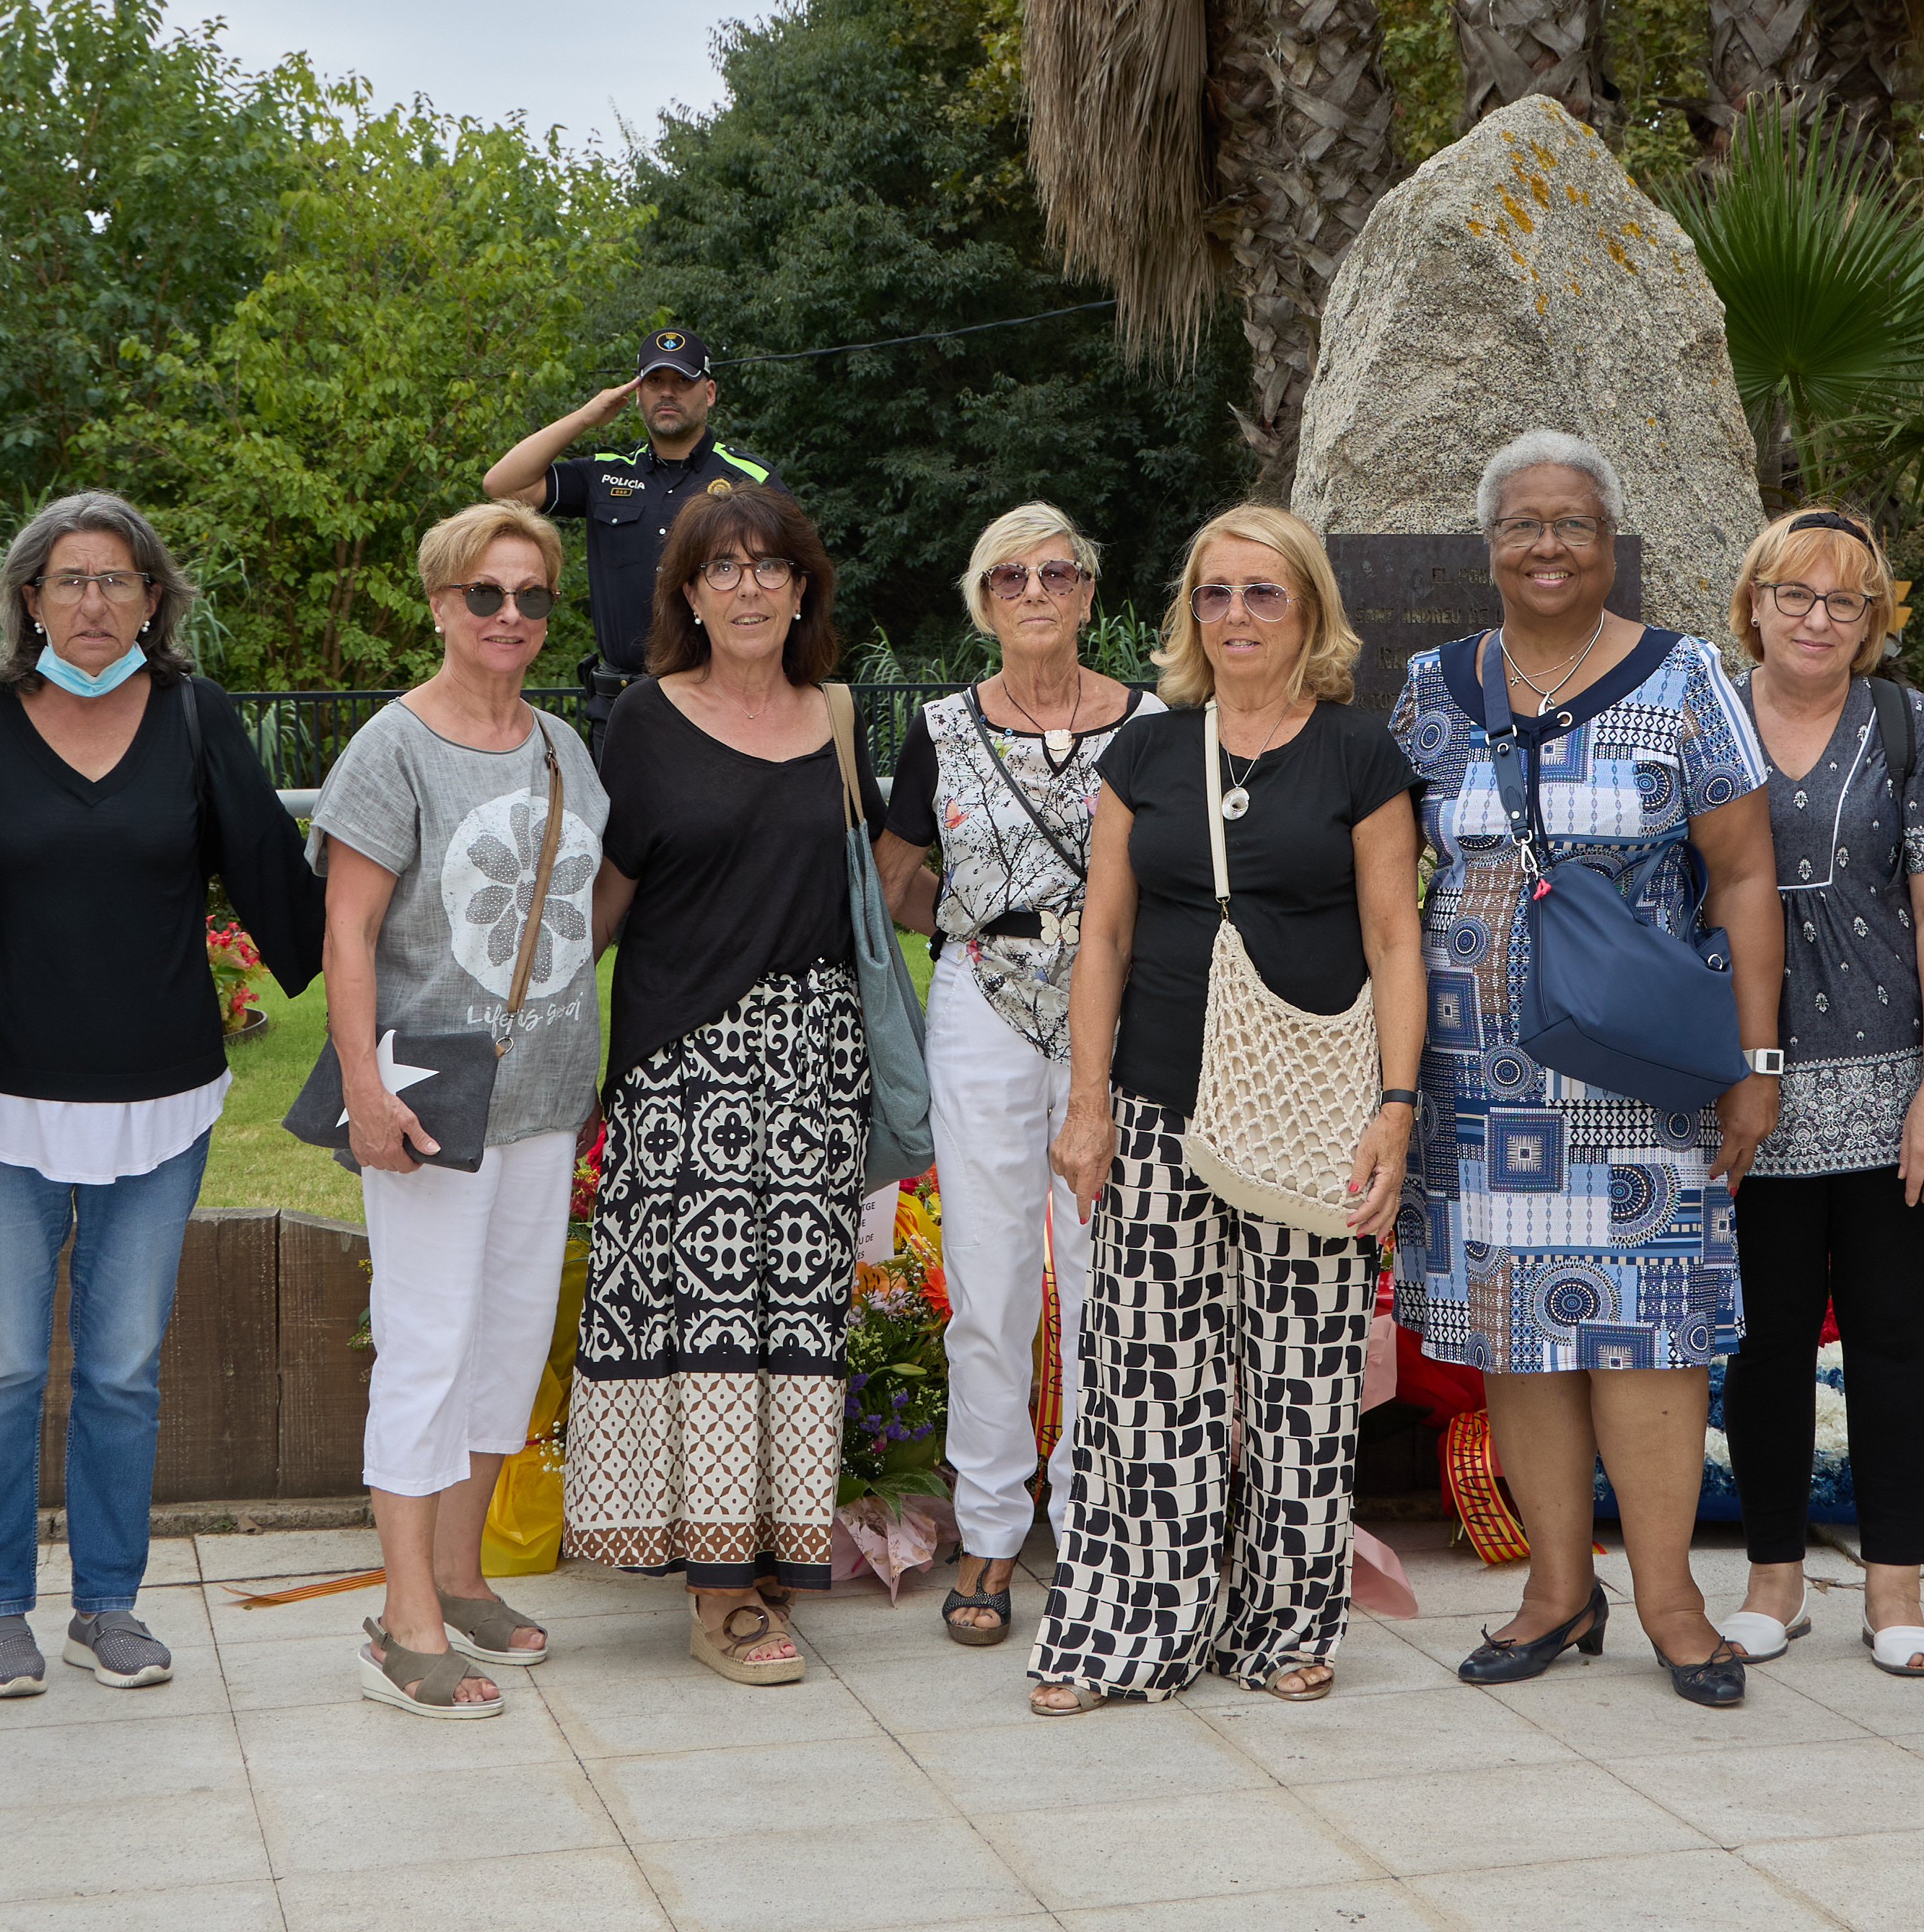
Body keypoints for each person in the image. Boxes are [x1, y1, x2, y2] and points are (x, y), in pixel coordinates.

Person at [1388, 433, 1780, 1710]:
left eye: (1573, 524)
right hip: (1477, 1083)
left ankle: (1670, 1598)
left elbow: (1744, 876)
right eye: (1523, 524)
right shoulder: (1432, 691)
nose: (1547, 545)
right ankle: (1559, 1590)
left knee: (1650, 1339)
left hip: (1642, 1078)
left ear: (1611, 544)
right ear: (1487, 545)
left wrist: (1753, 1059)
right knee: (1521, 1344)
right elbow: (1387, 881)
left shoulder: (1685, 679)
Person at [0, 492, 325, 1702]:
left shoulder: (199, 718)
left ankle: (109, 1604)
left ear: (156, 600)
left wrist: (387, 932)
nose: (92, 602)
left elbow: (283, 889)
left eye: (117, 580)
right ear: (28, 600)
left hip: (161, 1105)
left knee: (120, 1371)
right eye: (66, 579)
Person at [1032, 504, 1423, 1713]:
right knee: (1146, 1370)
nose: (1238, 615)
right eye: (1216, 594)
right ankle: (1130, 1629)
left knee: (1304, 1373)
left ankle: (1288, 1623)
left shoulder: (1360, 753)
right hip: (1154, 1098)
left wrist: (1395, 1105)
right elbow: (1100, 934)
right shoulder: (1145, 756)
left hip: (1313, 1105)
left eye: (1264, 593)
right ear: (1188, 614)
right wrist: (1087, 1101)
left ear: (1308, 610)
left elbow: (1393, 935)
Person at [310, 502, 610, 1718]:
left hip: (541, 1094)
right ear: (439, 604)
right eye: (484, 595)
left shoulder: (560, 747)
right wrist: (365, 1091)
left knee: (503, 1344)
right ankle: (403, 1616)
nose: (509, 618)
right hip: (432, 1088)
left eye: (531, 597)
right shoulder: (393, 745)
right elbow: (348, 928)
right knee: (428, 1346)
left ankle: (462, 1572)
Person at [571, 485, 870, 1686]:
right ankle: (714, 1591)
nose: (747, 586)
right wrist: (505, 1010)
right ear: (688, 594)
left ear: (803, 588)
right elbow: (600, 894)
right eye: (722, 568)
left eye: (769, 565)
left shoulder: (836, 719)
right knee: (697, 1315)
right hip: (680, 1064)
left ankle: (772, 1557)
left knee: (793, 1311)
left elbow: (889, 887)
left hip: (814, 1067)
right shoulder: (643, 720)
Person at [872, 503, 1156, 1645]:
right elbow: (894, 880)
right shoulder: (939, 727)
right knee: (988, 1280)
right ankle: (990, 1533)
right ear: (981, 602)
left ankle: (1092, 1525)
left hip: (1125, 1004)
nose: (1033, 592)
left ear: (1089, 594)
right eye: (1008, 577)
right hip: (981, 998)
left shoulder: (1153, 724)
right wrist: (985, 922)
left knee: (1108, 1270)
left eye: (1055, 573)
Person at [1714, 506, 1924, 1678]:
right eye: (1795, 595)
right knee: (1764, 1343)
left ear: (1871, 622)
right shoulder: (1704, 717)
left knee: (1889, 1338)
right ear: (1754, 603)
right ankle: (1775, 1581)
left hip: (1888, 1086)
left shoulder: (1903, 722)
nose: (1818, 618)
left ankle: (1895, 1589)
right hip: (1749, 1082)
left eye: (1845, 601)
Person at [482, 326, 776, 753]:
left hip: (720, 703)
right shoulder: (605, 475)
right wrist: (586, 416)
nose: (667, 393)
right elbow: (502, 484)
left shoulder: (750, 480)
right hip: (618, 710)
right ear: (637, 395)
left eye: (682, 381)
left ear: (709, 392)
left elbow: (785, 582)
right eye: (654, 382)